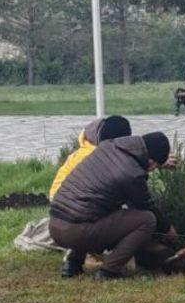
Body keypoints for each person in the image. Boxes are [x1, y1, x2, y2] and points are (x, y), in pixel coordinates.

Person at [47, 132, 177, 280]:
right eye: (155, 167)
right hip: (76, 232)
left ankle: (72, 264)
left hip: (54, 224)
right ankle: (108, 271)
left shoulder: (108, 146)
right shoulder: (131, 174)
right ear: (151, 162)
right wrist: (166, 228)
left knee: (90, 210)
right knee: (147, 219)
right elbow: (145, 204)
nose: (152, 170)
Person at [49, 114, 133, 277]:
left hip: (58, 206)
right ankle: (108, 267)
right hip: (76, 207)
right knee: (118, 216)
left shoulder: (82, 152)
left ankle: (75, 258)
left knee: (88, 214)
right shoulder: (103, 157)